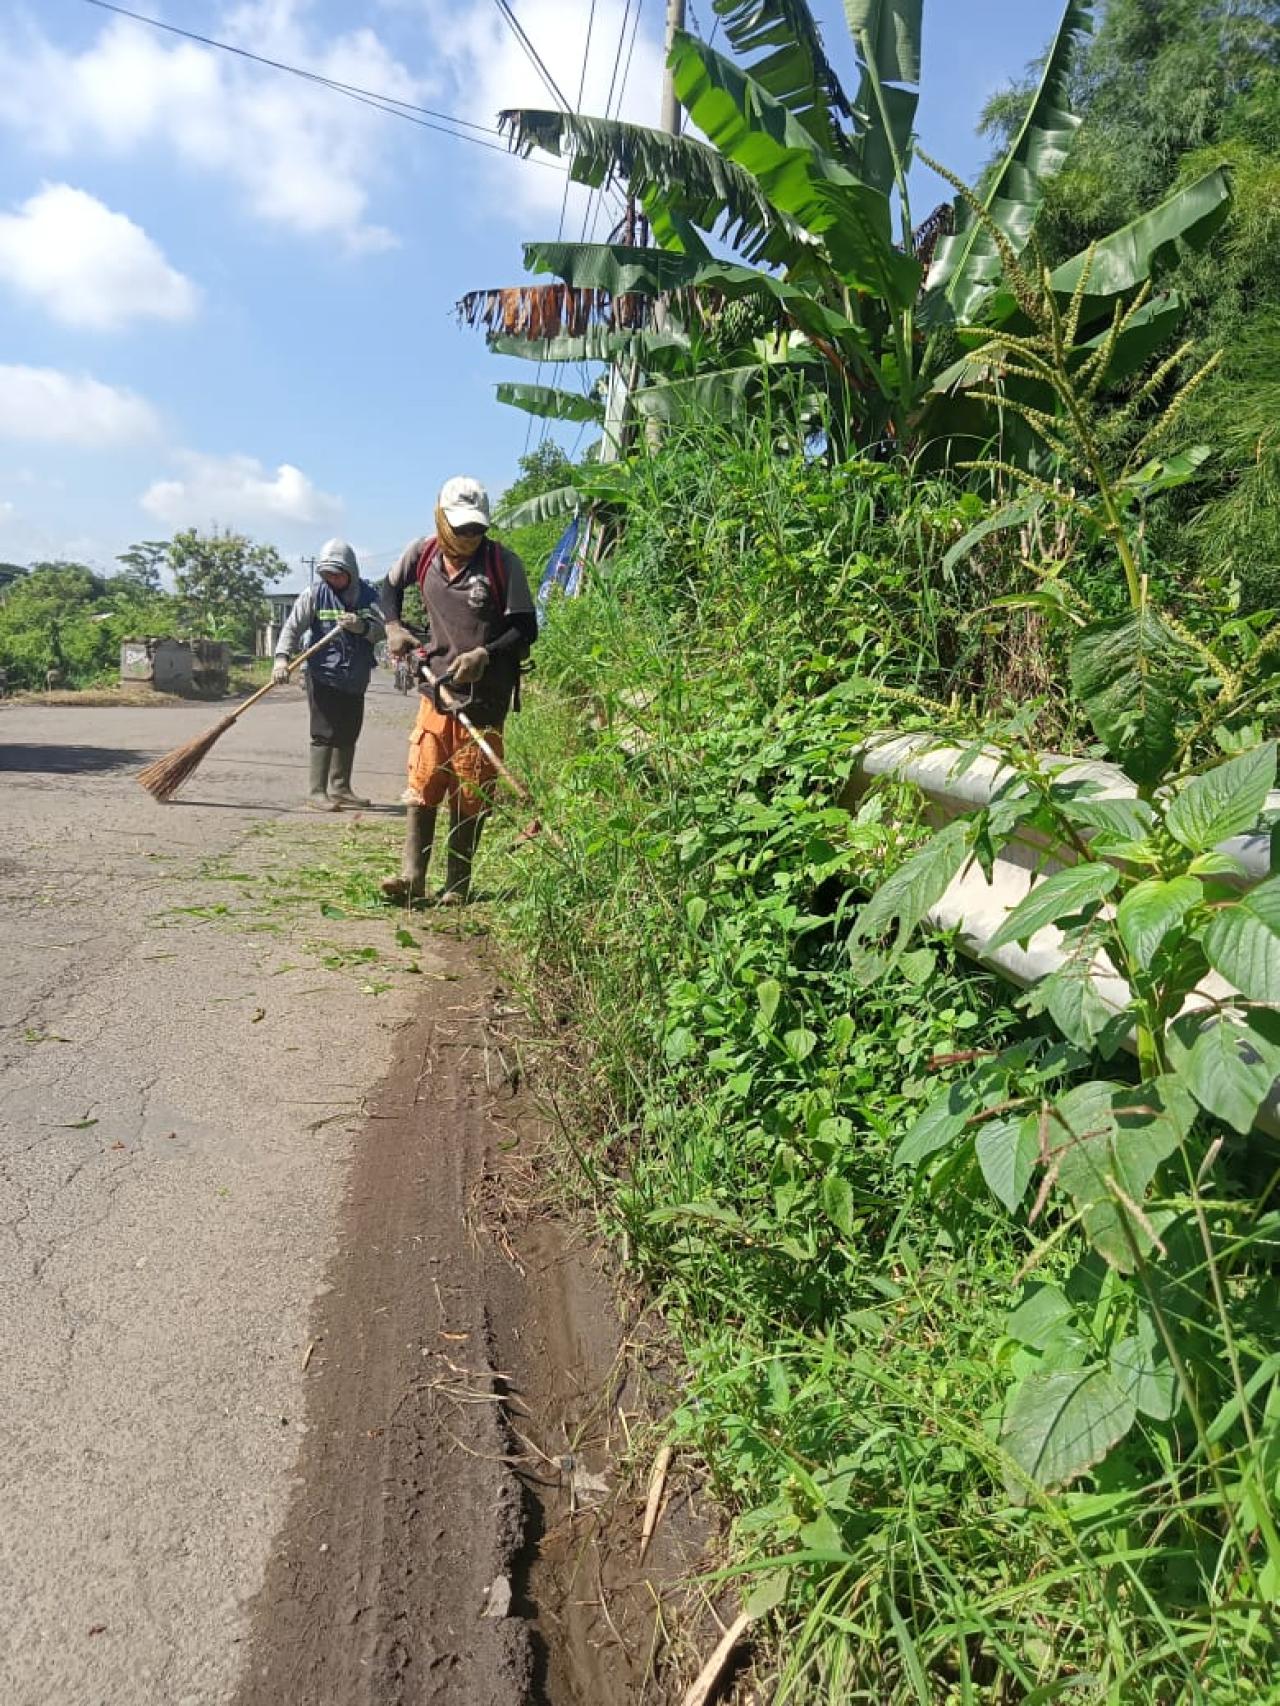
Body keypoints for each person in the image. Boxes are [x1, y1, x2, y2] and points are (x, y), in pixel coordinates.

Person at [378, 475, 537, 904]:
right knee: (426, 776)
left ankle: (456, 885)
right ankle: (412, 878)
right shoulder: (422, 554)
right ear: (441, 520)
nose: (469, 536)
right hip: (437, 686)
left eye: (476, 528)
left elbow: (525, 629)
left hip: (486, 695)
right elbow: (387, 588)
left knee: (471, 787)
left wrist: (485, 653)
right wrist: (393, 626)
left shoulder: (502, 564)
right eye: (461, 528)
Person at [272, 539, 385, 811]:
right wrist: (281, 658)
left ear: (350, 571)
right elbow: (292, 628)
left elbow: (384, 630)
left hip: (355, 675)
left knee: (349, 731)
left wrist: (362, 627)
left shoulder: (370, 596)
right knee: (324, 731)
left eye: (337, 574)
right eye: (327, 574)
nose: (332, 579)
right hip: (322, 673)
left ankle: (341, 788)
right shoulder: (314, 594)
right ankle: (316, 792)